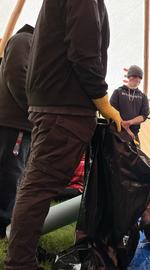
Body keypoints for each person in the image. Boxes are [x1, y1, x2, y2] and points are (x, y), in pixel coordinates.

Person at [5, 1, 122, 269]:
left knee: (36, 185)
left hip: (56, 105)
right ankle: (20, 263)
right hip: (65, 108)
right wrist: (101, 99)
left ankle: (21, 258)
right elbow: (84, 49)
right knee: (39, 186)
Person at [0, 24, 34, 238]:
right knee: (9, 172)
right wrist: (35, 108)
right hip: (15, 122)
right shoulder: (26, 40)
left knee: (11, 171)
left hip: (16, 121)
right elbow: (16, 74)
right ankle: (2, 224)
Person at [110, 65, 149, 146]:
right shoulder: (118, 92)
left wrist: (129, 123)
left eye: (140, 77)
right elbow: (112, 110)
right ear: (129, 77)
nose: (137, 79)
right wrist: (125, 127)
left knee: (135, 156)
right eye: (135, 76)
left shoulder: (143, 96)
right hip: (117, 132)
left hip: (133, 134)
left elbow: (144, 115)